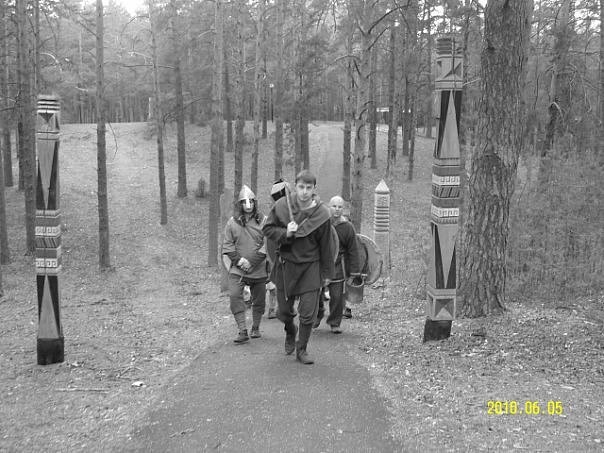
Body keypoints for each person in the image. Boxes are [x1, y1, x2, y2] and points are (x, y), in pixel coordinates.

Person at [262, 170, 335, 364]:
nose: (304, 192)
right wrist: (286, 232)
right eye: (301, 187)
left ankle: (301, 349)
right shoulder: (282, 206)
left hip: (311, 266)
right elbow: (268, 229)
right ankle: (290, 330)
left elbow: (326, 245)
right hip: (286, 265)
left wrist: (327, 273)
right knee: (283, 312)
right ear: (295, 186)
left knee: (308, 312)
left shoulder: (322, 213)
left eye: (308, 188)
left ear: (314, 189)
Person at [222, 185, 268, 343]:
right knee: (234, 295)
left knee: (259, 301)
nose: (248, 205)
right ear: (240, 204)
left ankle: (256, 327)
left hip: (259, 268)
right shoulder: (232, 223)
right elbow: (228, 245)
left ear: (255, 203)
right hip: (238, 269)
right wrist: (239, 260)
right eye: (245, 202)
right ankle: (242, 330)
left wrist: (253, 261)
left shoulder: (264, 221)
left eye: (251, 201)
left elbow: (268, 244)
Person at [315, 195, 361, 333]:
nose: (337, 209)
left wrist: (354, 272)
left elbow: (353, 250)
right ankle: (317, 314)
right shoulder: (321, 223)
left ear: (343, 209)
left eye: (340, 207)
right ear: (329, 207)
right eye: (334, 206)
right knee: (315, 294)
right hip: (320, 264)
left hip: (338, 266)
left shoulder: (347, 227)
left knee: (337, 297)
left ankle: (334, 322)